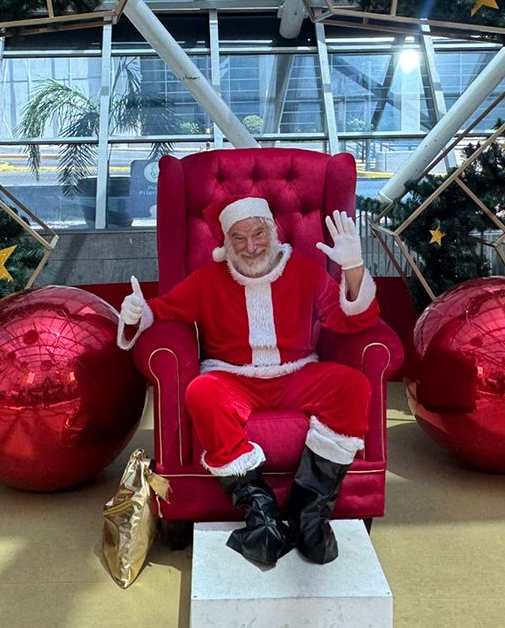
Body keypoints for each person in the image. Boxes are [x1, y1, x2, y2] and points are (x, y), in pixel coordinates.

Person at [118, 195, 379, 566]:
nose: (251, 246)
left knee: (353, 385)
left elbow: (351, 319)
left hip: (297, 374)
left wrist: (353, 268)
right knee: (202, 392)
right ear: (226, 244)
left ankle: (310, 514)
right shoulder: (208, 279)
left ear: (273, 231)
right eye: (238, 239)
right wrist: (135, 313)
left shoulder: (303, 270)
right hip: (234, 379)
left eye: (258, 234)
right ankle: (262, 515)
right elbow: (161, 311)